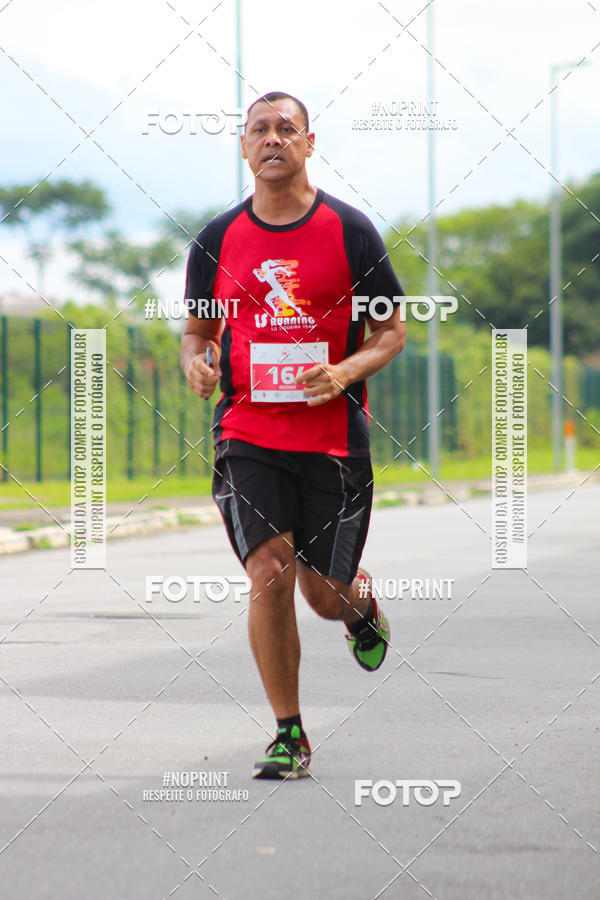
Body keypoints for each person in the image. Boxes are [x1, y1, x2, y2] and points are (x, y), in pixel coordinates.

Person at [181, 91, 406, 780]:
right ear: (244, 148)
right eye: (259, 130)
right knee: (269, 573)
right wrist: (198, 361)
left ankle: (360, 608)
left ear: (310, 143)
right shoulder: (217, 239)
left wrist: (345, 371)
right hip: (247, 432)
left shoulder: (352, 232)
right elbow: (199, 330)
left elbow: (391, 331)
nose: (272, 139)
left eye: (287, 129)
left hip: (334, 441)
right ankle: (290, 734)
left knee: (323, 595)